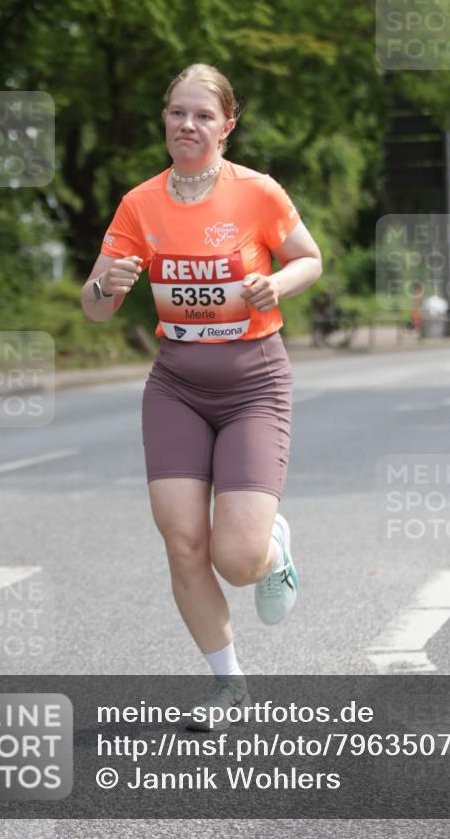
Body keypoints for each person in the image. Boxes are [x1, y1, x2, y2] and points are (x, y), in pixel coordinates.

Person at [81, 63, 322, 726]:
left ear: (226, 126)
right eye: (176, 112)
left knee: (237, 560)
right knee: (182, 541)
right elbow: (94, 308)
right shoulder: (139, 204)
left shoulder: (257, 192)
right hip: (176, 386)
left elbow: (309, 257)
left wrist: (278, 284)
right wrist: (107, 286)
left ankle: (271, 548)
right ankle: (228, 683)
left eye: (202, 115)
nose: (187, 125)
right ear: (164, 119)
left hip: (253, 384)